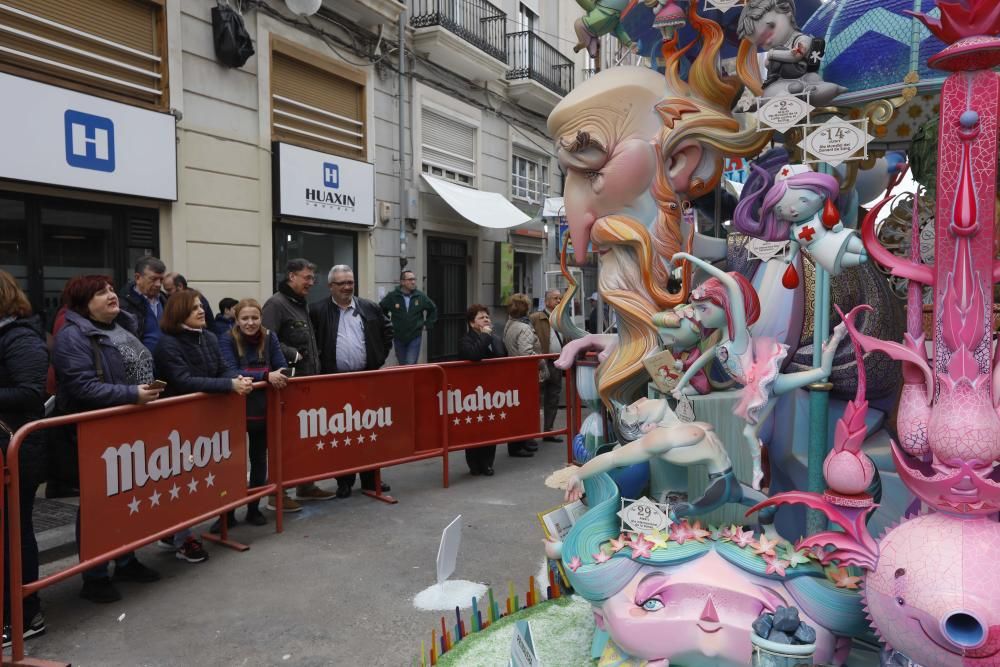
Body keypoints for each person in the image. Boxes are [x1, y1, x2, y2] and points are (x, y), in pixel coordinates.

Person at [53, 275, 163, 604]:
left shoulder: (123, 325)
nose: (111, 295)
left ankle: (126, 560)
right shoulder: (72, 337)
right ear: (83, 302)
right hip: (97, 434)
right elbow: (82, 387)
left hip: (129, 430)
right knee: (98, 506)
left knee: (126, 499)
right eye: (101, 293)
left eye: (111, 289)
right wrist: (133, 394)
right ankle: (95, 575)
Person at [153, 290, 252, 561]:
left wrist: (237, 379)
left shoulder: (208, 337)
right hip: (177, 426)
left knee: (199, 478)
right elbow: (183, 381)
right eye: (194, 307)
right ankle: (182, 539)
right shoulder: (167, 344)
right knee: (182, 481)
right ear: (178, 313)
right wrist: (229, 385)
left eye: (201, 306)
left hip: (207, 423)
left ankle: (176, 534)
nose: (201, 311)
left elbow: (223, 368)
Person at [310, 265, 393, 497]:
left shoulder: (369, 307)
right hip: (335, 383)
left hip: (367, 380)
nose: (347, 287)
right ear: (330, 286)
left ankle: (371, 479)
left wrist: (378, 357)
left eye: (350, 282)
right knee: (341, 433)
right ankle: (344, 481)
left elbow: (387, 332)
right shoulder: (317, 311)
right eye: (341, 283)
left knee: (370, 431)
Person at [261, 258, 335, 508]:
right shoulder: (276, 305)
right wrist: (291, 353)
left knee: (305, 438)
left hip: (307, 384)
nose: (311, 283)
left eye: (313, 278)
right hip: (287, 387)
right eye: (307, 278)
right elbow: (263, 339)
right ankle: (278, 495)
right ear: (292, 276)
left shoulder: (300, 304)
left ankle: (306, 485)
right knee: (285, 441)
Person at [0, 271, 48, 645]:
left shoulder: (19, 337)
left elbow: (30, 392)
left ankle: (24, 614)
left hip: (15, 449)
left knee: (14, 532)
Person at [219, 299, 288, 529]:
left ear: (261, 318)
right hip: (233, 411)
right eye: (245, 318)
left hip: (262, 409)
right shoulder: (227, 338)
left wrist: (264, 373)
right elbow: (229, 371)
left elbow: (281, 365)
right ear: (236, 320)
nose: (250, 323)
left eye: (255, 318)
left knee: (259, 460)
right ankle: (226, 514)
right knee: (231, 464)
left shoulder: (270, 337)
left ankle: (253, 508)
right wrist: (265, 375)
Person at [457, 304, 506, 476]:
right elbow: (474, 355)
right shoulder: (466, 340)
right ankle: (474, 464)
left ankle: (487, 463)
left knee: (491, 428)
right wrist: (485, 336)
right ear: (472, 323)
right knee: (474, 428)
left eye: (487, 317)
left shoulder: (496, 338)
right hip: (474, 394)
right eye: (481, 317)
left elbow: (503, 359)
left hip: (494, 391)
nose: (486, 319)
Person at [502, 293, 546, 457]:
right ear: (526, 309)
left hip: (514, 371)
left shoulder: (509, 324)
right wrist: (541, 363)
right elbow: (526, 352)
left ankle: (522, 442)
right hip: (525, 374)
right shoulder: (524, 327)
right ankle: (518, 445)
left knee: (518, 409)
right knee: (524, 409)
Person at [379, 269, 437, 365]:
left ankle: (411, 380)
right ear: (402, 282)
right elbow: (381, 310)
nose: (413, 282)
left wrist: (427, 324)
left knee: (410, 363)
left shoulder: (420, 296)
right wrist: (388, 323)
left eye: (414, 279)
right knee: (402, 364)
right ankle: (406, 380)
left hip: (415, 336)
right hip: (398, 337)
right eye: (410, 279)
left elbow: (433, 309)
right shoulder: (393, 296)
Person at [530, 289, 564, 442]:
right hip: (541, 363)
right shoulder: (536, 318)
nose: (558, 301)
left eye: (560, 298)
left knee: (553, 397)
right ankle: (531, 433)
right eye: (555, 298)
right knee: (535, 397)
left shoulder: (562, 318)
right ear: (547, 301)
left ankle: (548, 430)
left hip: (556, 362)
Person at [119, 256, 167, 352]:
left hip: (167, 362)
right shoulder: (123, 305)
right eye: (153, 279)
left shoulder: (165, 300)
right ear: (138, 278)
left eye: (161, 280)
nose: (158, 284)